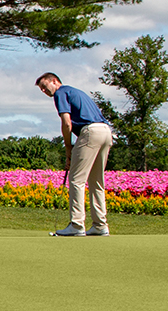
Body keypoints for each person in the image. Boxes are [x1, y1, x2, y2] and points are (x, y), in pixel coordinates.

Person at [34, 72, 113, 237]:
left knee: (76, 180)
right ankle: (100, 225)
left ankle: (76, 225)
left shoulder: (60, 93)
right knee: (96, 181)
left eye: (44, 86)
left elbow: (66, 122)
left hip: (90, 132)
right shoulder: (75, 92)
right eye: (41, 89)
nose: (43, 91)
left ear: (54, 81)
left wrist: (68, 148)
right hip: (106, 132)